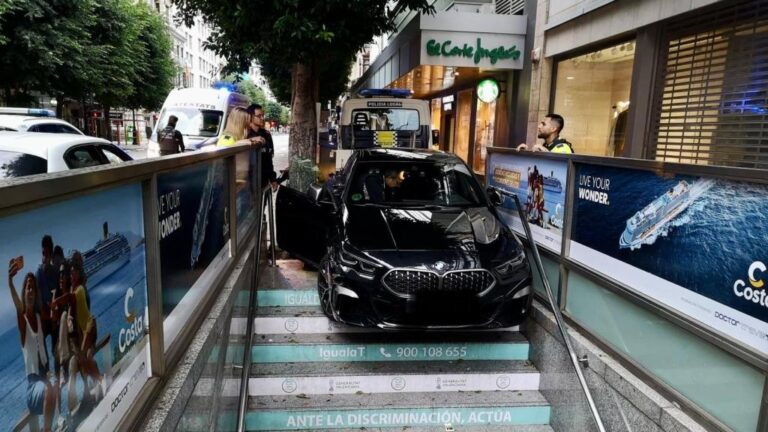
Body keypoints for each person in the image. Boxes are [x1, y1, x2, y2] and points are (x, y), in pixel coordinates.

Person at [8, 258, 58, 432]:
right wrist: (10, 282)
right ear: (24, 292)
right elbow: (18, 308)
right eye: (27, 287)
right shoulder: (23, 323)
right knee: (48, 389)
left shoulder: (38, 318)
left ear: (35, 293)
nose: (30, 290)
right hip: (33, 388)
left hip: (44, 380)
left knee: (55, 384)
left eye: (33, 288)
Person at [246, 104, 276, 188]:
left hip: (264, 181)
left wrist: (272, 178)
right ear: (250, 117)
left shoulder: (267, 134)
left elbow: (269, 159)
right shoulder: (245, 134)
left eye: (263, 115)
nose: (262, 118)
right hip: (249, 182)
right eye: (259, 116)